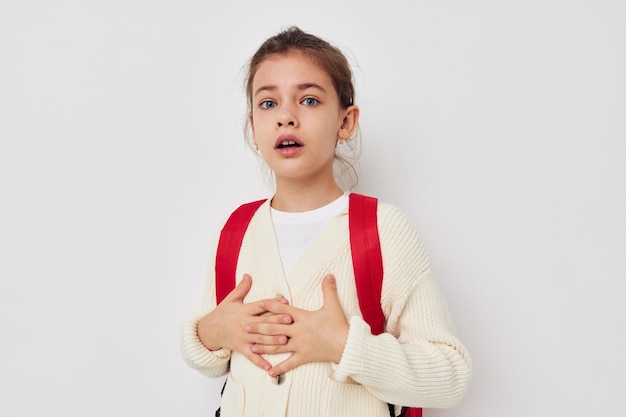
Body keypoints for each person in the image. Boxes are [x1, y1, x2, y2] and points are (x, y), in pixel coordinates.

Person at [180, 26, 472, 417]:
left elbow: (450, 376)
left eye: (309, 100)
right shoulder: (235, 230)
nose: (286, 116)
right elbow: (213, 355)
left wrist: (344, 345)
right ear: (253, 126)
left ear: (346, 122)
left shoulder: (382, 229)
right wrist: (208, 334)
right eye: (268, 104)